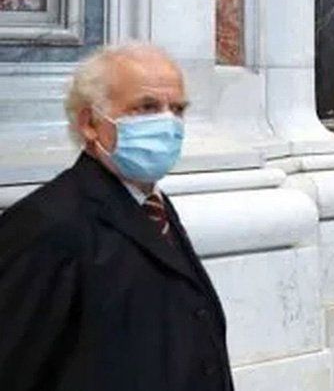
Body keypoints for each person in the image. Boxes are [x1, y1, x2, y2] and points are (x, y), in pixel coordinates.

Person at [0, 43, 233, 391]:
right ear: (90, 123)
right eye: (147, 107)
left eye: (177, 109)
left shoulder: (153, 205)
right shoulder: (47, 224)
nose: (167, 123)